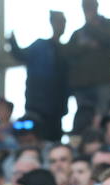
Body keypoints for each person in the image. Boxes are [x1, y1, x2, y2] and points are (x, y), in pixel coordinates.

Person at [9, 11, 69, 141]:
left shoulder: (65, 50)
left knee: (53, 139)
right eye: (59, 22)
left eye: (63, 22)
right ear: (52, 23)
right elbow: (20, 55)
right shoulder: (40, 46)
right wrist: (12, 41)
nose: (61, 25)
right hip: (37, 105)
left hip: (56, 107)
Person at [65, 0, 110, 134]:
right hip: (82, 85)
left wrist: (92, 27)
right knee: (84, 119)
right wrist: (85, 46)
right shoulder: (78, 33)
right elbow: (68, 52)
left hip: (103, 82)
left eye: (90, 6)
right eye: (85, 7)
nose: (88, 9)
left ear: (96, 6)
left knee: (103, 117)